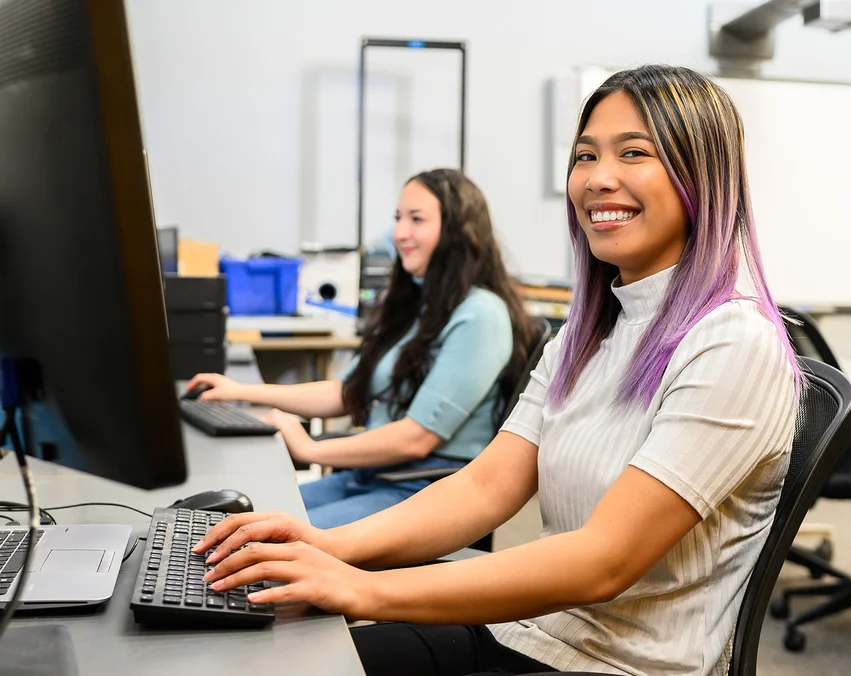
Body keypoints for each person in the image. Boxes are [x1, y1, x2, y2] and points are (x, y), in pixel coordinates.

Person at [192, 64, 802, 676]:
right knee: (281, 657)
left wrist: (361, 587)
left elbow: (602, 561)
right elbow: (486, 487)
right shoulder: (588, 334)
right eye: (585, 156)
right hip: (531, 631)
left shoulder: (734, 343)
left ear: (703, 174)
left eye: (633, 153)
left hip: (618, 665)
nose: (598, 179)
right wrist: (328, 547)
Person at [187, 168, 539, 529]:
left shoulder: (481, 315)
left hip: (422, 491)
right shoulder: (420, 307)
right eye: (398, 219)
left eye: (416, 220)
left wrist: (309, 448)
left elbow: (416, 438)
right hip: (372, 477)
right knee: (216, 520)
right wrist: (242, 392)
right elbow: (345, 392)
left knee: (256, 536)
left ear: (459, 231)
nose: (399, 233)